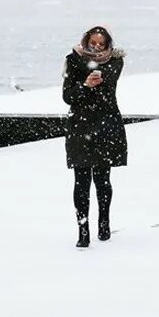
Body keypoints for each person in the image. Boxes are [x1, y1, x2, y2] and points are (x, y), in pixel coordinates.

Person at [62, 26, 128, 248]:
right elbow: (67, 95)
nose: (97, 47)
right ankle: (83, 229)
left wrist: (94, 81)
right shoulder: (72, 60)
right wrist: (84, 85)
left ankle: (104, 223)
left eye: (101, 44)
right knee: (81, 180)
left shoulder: (115, 61)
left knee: (103, 178)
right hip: (80, 126)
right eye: (93, 44)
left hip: (106, 124)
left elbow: (108, 84)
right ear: (86, 42)